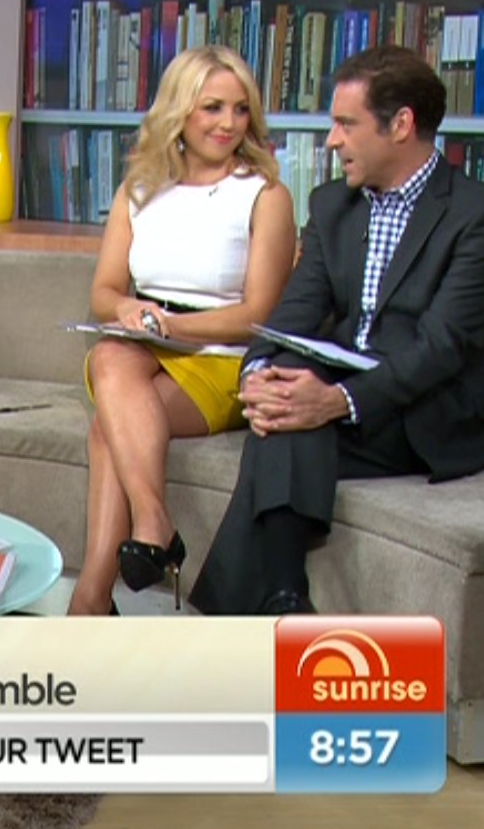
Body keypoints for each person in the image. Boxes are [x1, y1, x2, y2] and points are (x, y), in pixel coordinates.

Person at [187, 45, 484, 616]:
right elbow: (290, 317)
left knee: (289, 424)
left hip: (429, 410)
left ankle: (255, 611)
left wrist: (336, 400)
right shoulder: (333, 206)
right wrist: (258, 376)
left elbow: (442, 348)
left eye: (346, 124)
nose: (331, 141)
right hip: (347, 395)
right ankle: (287, 599)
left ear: (401, 125)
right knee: (286, 403)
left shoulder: (483, 216)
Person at [67, 46, 297, 616]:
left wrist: (174, 326)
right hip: (145, 345)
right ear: (179, 111)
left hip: (224, 354)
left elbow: (260, 314)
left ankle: (93, 596)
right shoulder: (139, 190)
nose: (228, 123)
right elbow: (103, 291)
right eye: (212, 107)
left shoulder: (264, 194)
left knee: (108, 425)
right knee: (111, 355)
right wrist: (128, 310)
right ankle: (152, 529)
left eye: (240, 110)